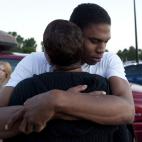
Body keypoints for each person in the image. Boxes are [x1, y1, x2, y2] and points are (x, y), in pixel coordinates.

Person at [0, 2, 134, 137]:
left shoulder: (109, 60)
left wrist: (55, 101)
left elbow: (127, 110)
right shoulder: (34, 61)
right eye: (94, 41)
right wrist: (55, 110)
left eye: (106, 41)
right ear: (74, 33)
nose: (102, 49)